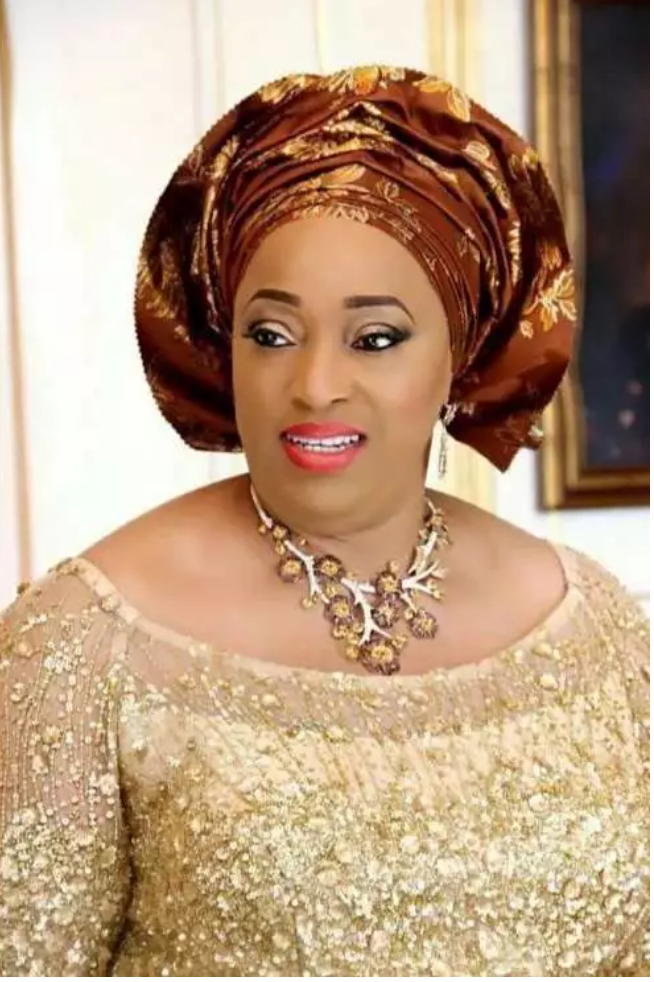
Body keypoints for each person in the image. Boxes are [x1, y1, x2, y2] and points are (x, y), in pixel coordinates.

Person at [0, 66, 648, 977]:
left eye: (375, 338)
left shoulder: (597, 628)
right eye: (270, 334)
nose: (312, 385)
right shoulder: (79, 647)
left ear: (463, 353)